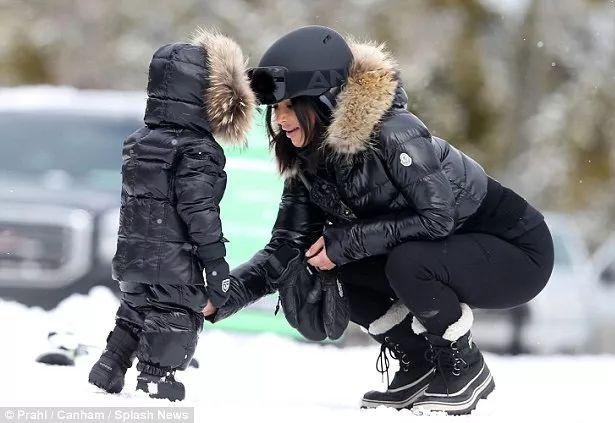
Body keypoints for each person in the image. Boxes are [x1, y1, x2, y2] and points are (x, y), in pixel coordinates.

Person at [205, 25, 554, 415]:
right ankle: (420, 361)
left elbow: (437, 218)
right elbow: (286, 248)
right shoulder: (309, 165)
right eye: (276, 109)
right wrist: (222, 296)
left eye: (289, 106)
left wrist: (346, 242)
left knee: (403, 261)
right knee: (324, 265)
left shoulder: (394, 131)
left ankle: (464, 369)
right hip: (447, 253)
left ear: (322, 99)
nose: (280, 119)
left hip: (517, 251)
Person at [88, 28, 255, 401]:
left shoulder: (139, 141)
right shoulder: (197, 150)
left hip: (133, 261)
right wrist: (214, 260)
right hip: (175, 264)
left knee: (135, 311)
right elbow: (198, 208)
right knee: (175, 317)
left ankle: (109, 366)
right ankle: (156, 379)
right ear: (206, 95)